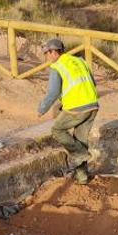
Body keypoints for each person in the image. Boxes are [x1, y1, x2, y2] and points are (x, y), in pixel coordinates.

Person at [37, 38, 99, 184]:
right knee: (80, 140)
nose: (47, 57)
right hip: (93, 105)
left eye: (47, 53)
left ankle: (82, 154)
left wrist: (42, 109)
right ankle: (82, 177)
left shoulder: (57, 66)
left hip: (77, 107)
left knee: (57, 130)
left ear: (53, 52)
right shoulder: (80, 61)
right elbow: (92, 83)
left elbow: (52, 92)